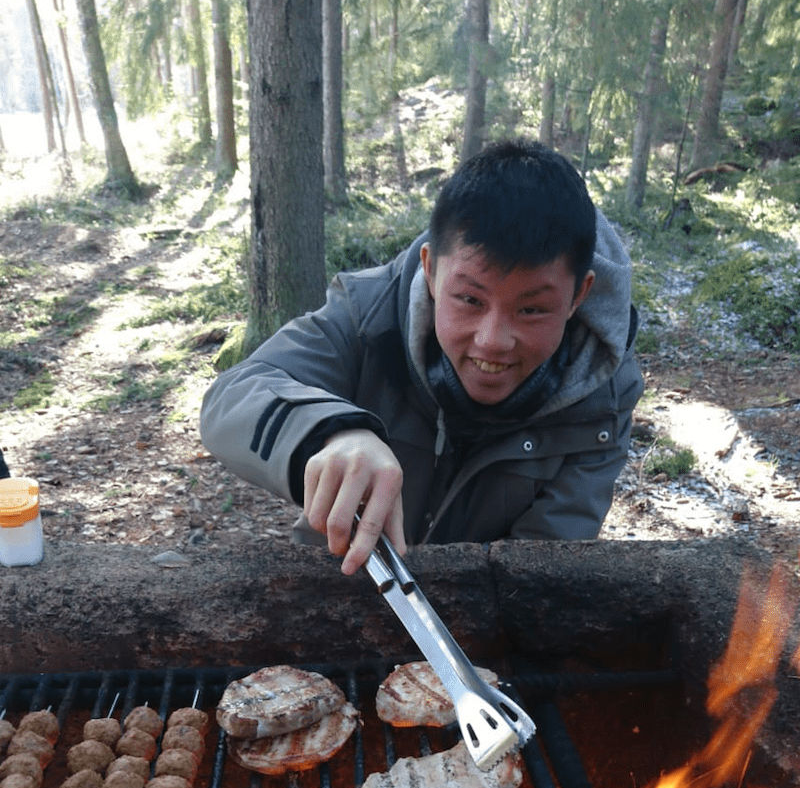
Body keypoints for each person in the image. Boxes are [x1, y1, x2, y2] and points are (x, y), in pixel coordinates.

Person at [200, 138, 643, 575]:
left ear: (578, 296)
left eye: (531, 310)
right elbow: (232, 397)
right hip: (336, 588)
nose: (492, 341)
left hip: (476, 626)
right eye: (469, 300)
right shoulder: (366, 314)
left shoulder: (605, 395)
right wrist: (333, 433)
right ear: (430, 270)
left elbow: (542, 566)